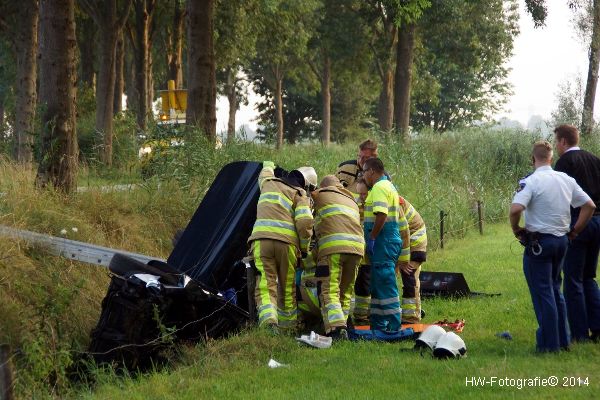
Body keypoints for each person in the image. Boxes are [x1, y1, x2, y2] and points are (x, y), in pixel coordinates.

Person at [509, 141, 595, 352]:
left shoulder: (531, 181)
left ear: (533, 159)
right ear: (551, 159)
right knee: (556, 290)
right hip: (562, 242)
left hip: (539, 243)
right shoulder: (565, 179)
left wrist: (516, 229)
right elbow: (589, 205)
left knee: (543, 293)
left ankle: (549, 345)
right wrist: (575, 230)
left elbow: (515, 209)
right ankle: (563, 340)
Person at [248, 161, 316, 334]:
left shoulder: (267, 182)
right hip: (287, 245)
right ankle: (288, 328)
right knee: (287, 286)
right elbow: (305, 222)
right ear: (306, 185)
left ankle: (269, 324)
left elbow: (265, 170)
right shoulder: (299, 193)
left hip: (261, 241)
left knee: (265, 283)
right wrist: (304, 248)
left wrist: (270, 164)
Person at [553, 124, 600, 342]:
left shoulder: (565, 162)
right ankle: (597, 326)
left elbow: (561, 195)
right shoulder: (593, 158)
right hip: (598, 220)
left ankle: (580, 333)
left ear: (563, 141)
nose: (556, 145)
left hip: (578, 221)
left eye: (556, 141)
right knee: (589, 276)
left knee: (573, 279)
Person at [311, 175, 364, 339]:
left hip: (333, 249)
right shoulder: (351, 199)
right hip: (357, 250)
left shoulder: (319, 194)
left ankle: (336, 329)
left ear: (324, 186)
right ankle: (345, 326)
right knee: (346, 291)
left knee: (329, 289)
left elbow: (306, 220)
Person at [362, 158, 403, 331]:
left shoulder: (379, 188)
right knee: (378, 285)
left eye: (364, 172)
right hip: (387, 239)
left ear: (371, 171)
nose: (363, 176)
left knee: (385, 283)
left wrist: (372, 237)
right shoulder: (388, 186)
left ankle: (394, 325)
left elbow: (381, 215)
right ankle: (378, 324)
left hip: (383, 240)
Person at [396, 196, 427, 323]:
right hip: (407, 242)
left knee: (409, 277)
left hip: (414, 243)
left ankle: (411, 317)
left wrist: (402, 259)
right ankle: (413, 312)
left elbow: (405, 233)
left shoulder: (393, 202)